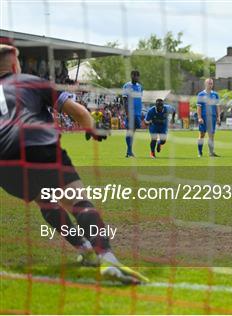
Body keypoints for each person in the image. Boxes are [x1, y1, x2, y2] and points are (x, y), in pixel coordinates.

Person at [0, 44, 147, 284]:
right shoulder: (31, 81)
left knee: (45, 201)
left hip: (4, 160)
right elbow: (76, 111)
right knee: (77, 201)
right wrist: (92, 128)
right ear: (16, 65)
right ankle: (107, 259)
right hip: (37, 145)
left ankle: (84, 249)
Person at [196, 78, 220, 157]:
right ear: (205, 84)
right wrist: (199, 117)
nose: (210, 85)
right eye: (209, 83)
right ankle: (200, 152)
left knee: (211, 135)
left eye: (211, 83)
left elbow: (217, 107)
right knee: (202, 135)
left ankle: (211, 152)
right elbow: (199, 107)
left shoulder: (215, 95)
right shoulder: (201, 94)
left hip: (212, 117)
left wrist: (218, 117)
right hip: (204, 117)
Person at [122, 70, 143, 158]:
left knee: (133, 131)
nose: (136, 77)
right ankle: (129, 151)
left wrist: (141, 111)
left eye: (137, 76)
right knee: (129, 131)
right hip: (130, 112)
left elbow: (139, 99)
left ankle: (129, 151)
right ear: (131, 76)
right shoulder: (127, 86)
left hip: (138, 112)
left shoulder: (140, 87)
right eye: (134, 76)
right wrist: (127, 112)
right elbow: (124, 100)